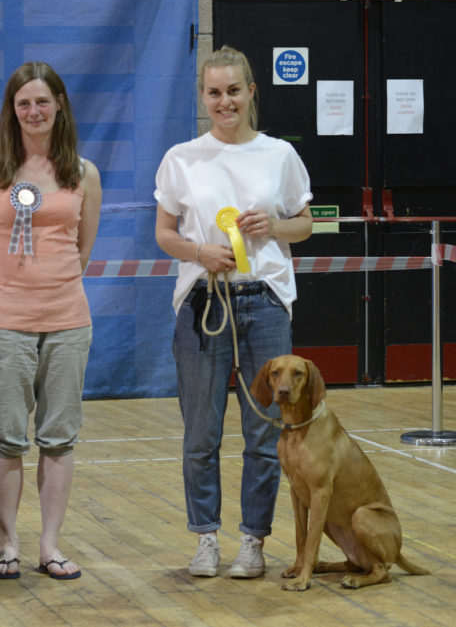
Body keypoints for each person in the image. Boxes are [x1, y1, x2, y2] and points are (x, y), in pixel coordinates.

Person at [153, 45, 313, 579]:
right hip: (203, 303)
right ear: (203, 97)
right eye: (215, 92)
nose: (225, 101)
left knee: (265, 432)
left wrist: (275, 228)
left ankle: (253, 540)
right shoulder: (181, 158)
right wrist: (200, 253)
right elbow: (164, 234)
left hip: (264, 302)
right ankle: (204, 538)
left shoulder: (279, 155)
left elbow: (305, 224)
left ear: (251, 93)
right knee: (201, 431)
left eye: (234, 90)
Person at [0, 62, 101, 581]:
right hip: (4, 324)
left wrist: (51, 292)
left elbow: (81, 250)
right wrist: (7, 299)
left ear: (60, 104)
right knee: (6, 438)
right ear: (12, 110)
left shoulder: (83, 173)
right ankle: (7, 544)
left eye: (43, 101)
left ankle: (49, 544)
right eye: (24, 103)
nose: (34, 111)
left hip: (68, 322)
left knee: (59, 437)